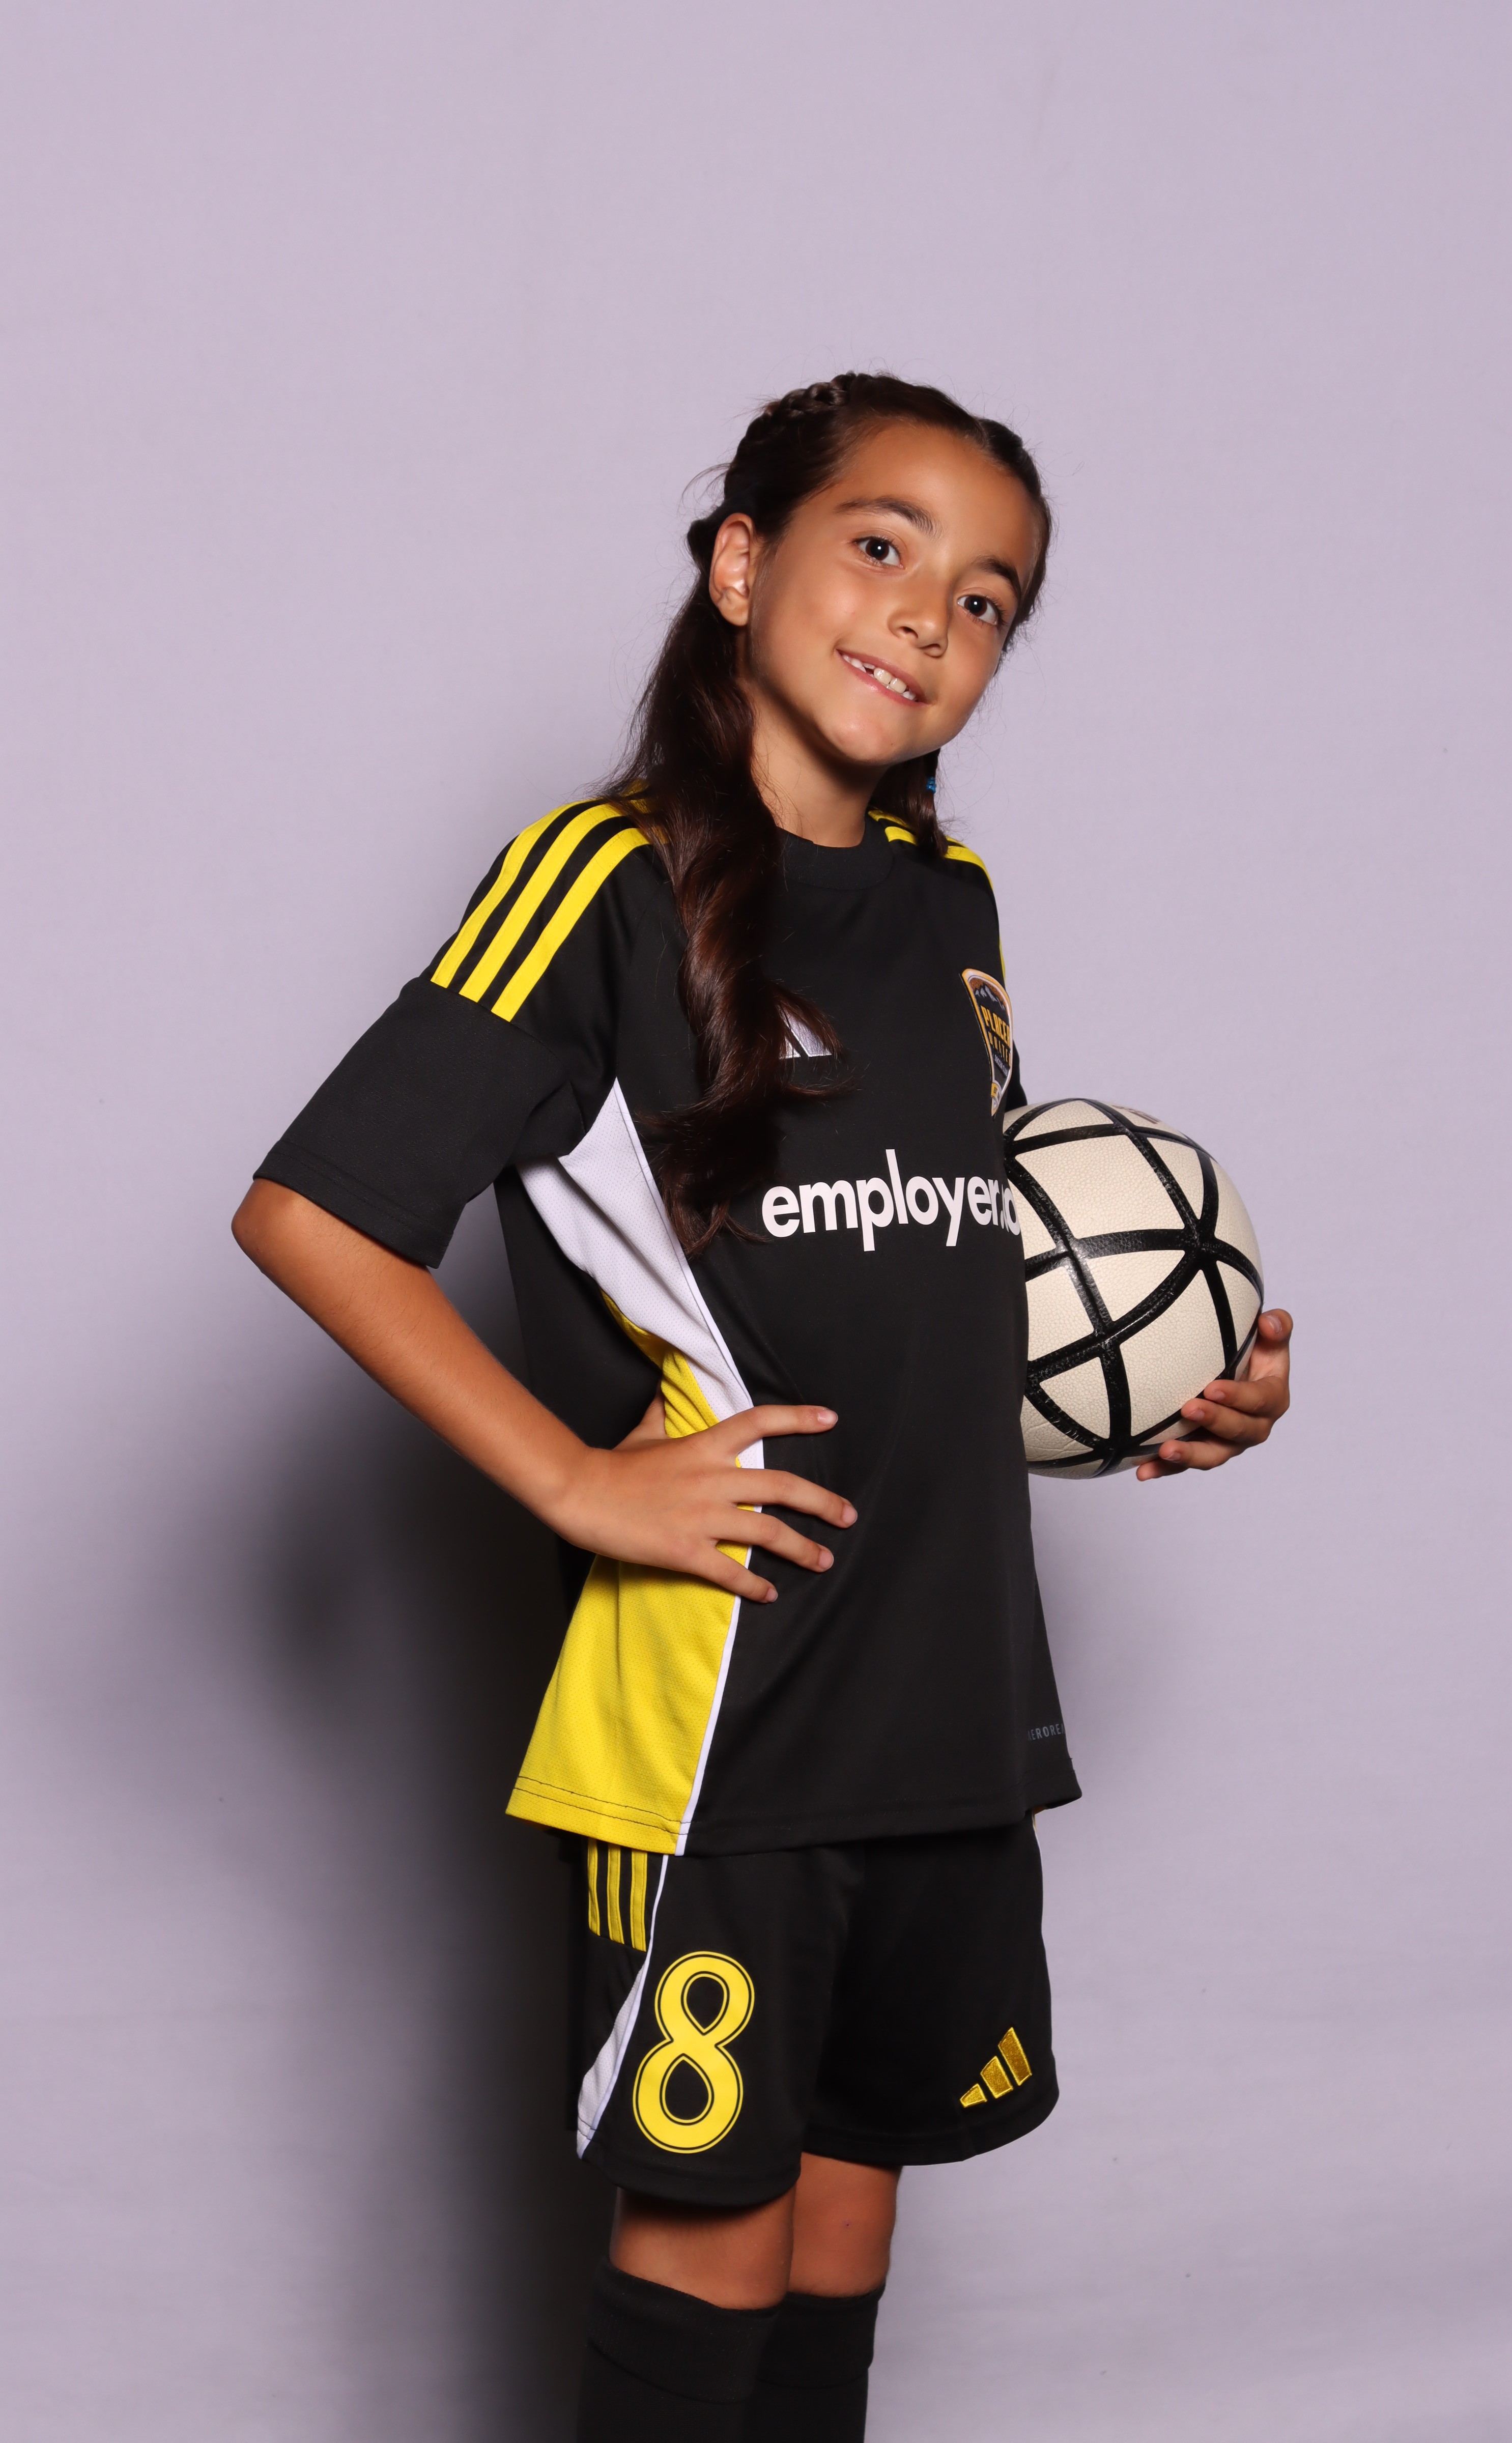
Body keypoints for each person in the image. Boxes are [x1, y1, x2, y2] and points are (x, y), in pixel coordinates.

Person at [233, 373, 1292, 2442]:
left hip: (951, 1697)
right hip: (729, 1711)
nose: (927, 615)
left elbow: (937, 1273)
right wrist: (576, 1481)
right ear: (740, 561)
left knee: (839, 2234)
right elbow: (312, 1213)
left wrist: (1164, 1376)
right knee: (705, 2250)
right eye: (881, 545)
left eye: (986, 600)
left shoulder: (951, 902)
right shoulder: (598, 881)